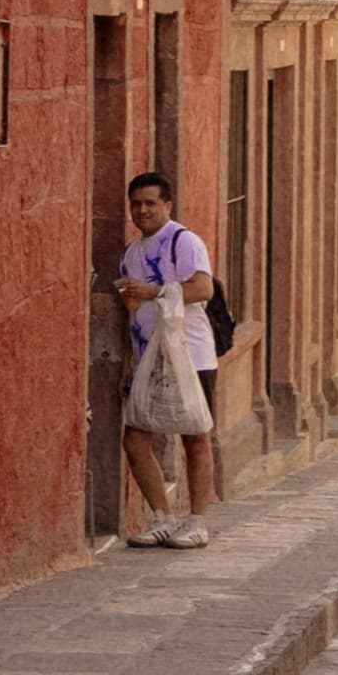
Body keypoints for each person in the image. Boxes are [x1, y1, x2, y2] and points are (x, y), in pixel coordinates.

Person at [116, 169, 220, 548]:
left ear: (167, 205)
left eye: (150, 203)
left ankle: (197, 521)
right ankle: (162, 516)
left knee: (195, 437)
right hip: (150, 358)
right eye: (136, 204)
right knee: (135, 437)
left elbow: (203, 287)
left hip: (191, 353)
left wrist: (152, 290)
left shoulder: (183, 241)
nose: (142, 211)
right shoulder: (131, 252)